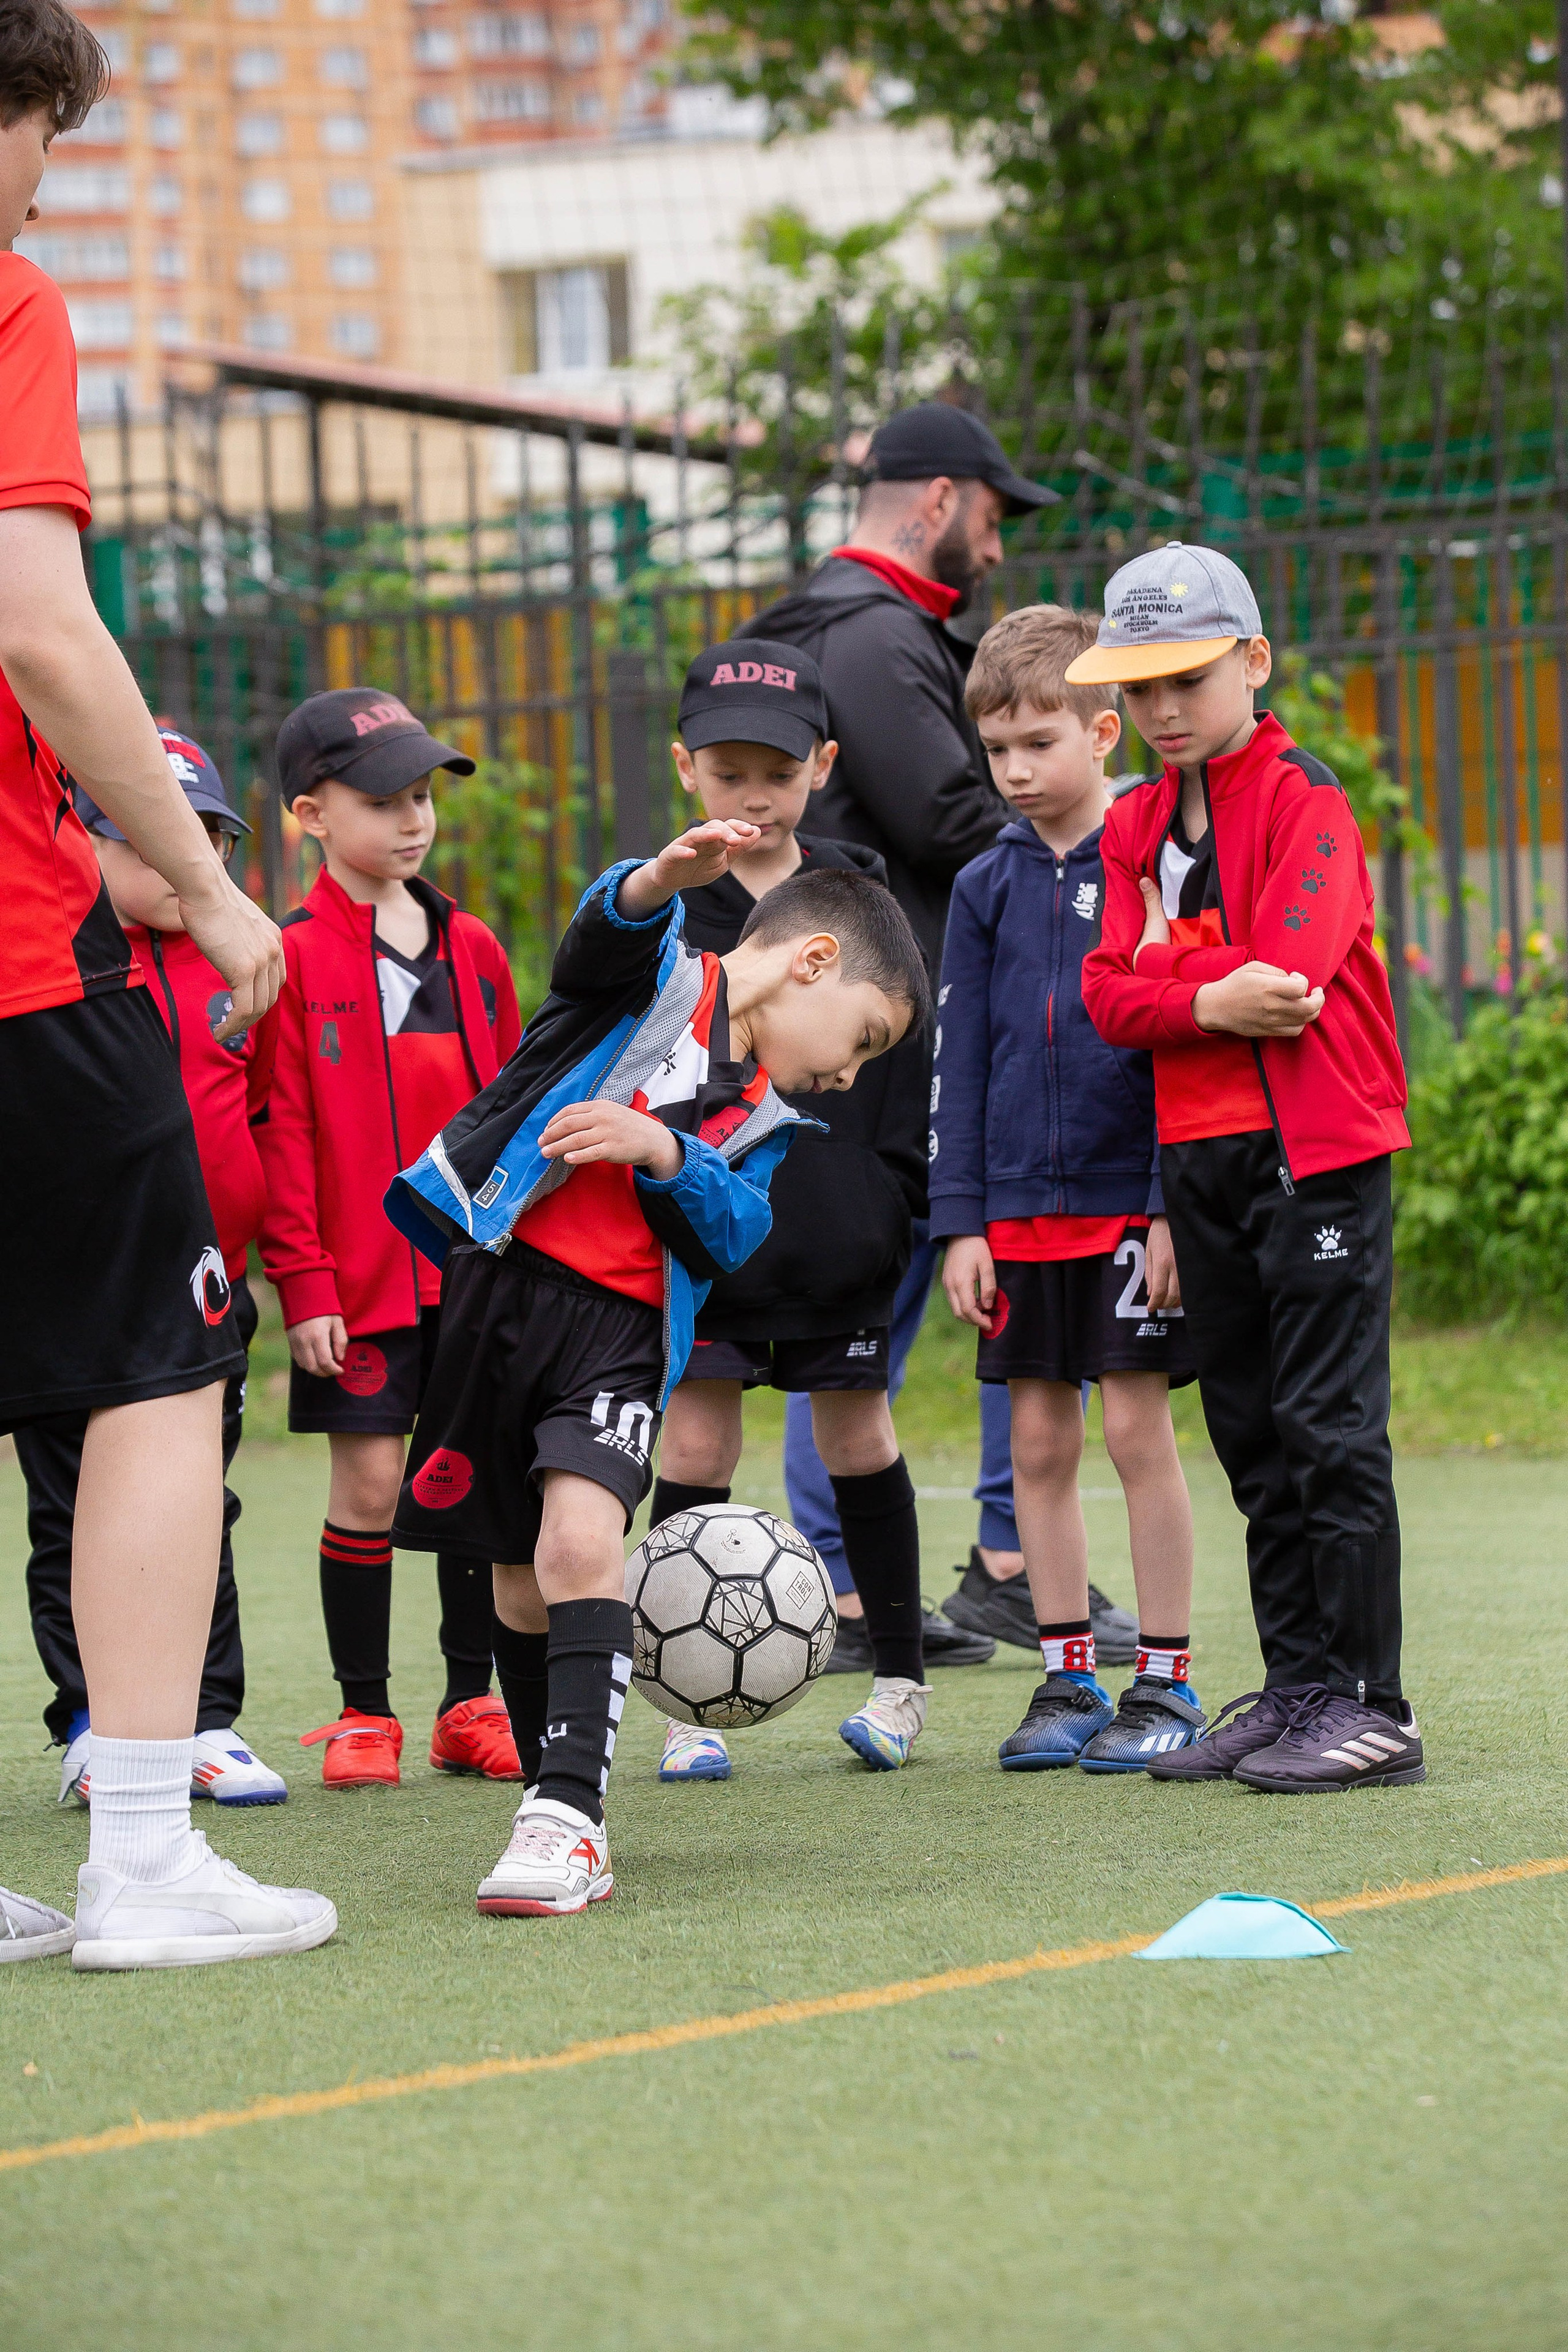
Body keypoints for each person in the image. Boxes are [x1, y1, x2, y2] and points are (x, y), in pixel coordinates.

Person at [0, 6, 334, 1972]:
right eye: (45, 135)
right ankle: (143, 1855)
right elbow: (39, 623)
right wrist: (207, 891)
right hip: (24, 969)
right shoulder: (9, 299)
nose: (46, 181)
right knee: (152, 1377)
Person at [386, 823, 927, 1917]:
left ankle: (572, 1816)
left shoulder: (766, 1115)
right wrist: (659, 878)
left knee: (580, 1541)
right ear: (815, 961)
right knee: (513, 1576)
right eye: (863, 1037)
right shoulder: (658, 975)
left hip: (621, 1332)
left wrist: (667, 1154)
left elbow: (736, 1231)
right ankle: (549, 1785)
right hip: (496, 1295)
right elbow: (602, 935)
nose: (848, 1072)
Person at [743, 405, 1137, 1661]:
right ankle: (852, 1587)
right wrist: (1096, 845)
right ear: (932, 502)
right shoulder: (865, 631)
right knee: (867, 1284)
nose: (997, 542)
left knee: (915, 1280)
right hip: (891, 1020)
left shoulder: (850, 623)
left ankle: (997, 1561)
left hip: (892, 1006)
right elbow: (953, 817)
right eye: (989, 512)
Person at [1077, 542, 1420, 1792]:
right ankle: (1297, 1688)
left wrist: (1177, 975)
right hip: (1198, 1156)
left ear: (1251, 663)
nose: (1160, 710)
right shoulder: (1128, 824)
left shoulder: (1303, 800)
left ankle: (1372, 1703)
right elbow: (1101, 997)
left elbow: (1289, 982)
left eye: (1186, 678)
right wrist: (1199, 990)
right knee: (1247, 1428)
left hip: (1315, 1151)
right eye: (1138, 688)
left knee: (1326, 1428)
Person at [645, 641, 991, 1787]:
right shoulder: (663, 901)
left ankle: (899, 1684)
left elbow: (914, 1065)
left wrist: (905, 1204)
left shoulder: (863, 899)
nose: (752, 794)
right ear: (686, 765)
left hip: (842, 1238)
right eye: (729, 769)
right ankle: (679, 1699)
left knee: (859, 1434)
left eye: (777, 772)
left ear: (823, 766)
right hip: (706, 1238)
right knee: (695, 1443)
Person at [935, 605, 1204, 1772]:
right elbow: (957, 1060)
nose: (1015, 771)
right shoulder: (983, 888)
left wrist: (1163, 1205)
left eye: (1039, 743)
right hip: (1015, 1215)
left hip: (1123, 1205)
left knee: (1139, 1429)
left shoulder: (1153, 860)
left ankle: (1168, 1681)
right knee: (1037, 1445)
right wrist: (961, 1223)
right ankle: (1066, 1679)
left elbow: (1179, 1049)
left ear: (1105, 734)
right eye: (997, 750)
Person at [258, 688, 522, 1790]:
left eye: (421, 796)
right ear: (311, 815)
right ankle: (364, 1715)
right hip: (359, 1288)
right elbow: (280, 1130)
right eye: (381, 800)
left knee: (462, 1478)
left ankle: (472, 1703)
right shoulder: (292, 954)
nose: (412, 819)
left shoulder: (474, 947)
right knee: (369, 1491)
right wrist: (308, 1282)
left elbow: (516, 1105)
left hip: (472, 1275)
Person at [23, 729, 288, 1811]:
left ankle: (202, 1722)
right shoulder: (69, 970)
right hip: (70, 1284)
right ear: (82, 839)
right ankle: (91, 1721)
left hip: (206, 1288)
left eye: (215, 840)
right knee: (68, 1506)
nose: (199, 866)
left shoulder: (234, 964)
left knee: (195, 1502)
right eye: (161, 841)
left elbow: (267, 1116)